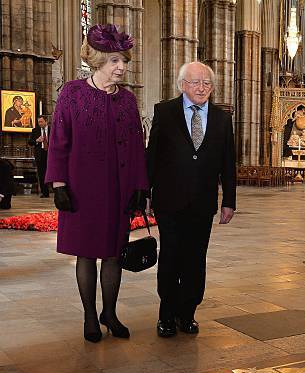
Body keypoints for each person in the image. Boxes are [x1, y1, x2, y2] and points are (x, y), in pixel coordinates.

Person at [45, 24, 149, 343]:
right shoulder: (73, 93)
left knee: (114, 253)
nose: (121, 67)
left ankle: (110, 313)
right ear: (99, 60)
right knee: (87, 254)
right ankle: (91, 317)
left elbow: (136, 147)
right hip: (82, 190)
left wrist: (139, 188)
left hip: (118, 190)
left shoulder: (128, 101)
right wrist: (59, 184)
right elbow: (59, 140)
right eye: (115, 61)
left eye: (124, 61)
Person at [147, 61, 236, 337]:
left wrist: (229, 200)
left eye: (206, 83)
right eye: (195, 82)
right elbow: (152, 156)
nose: (201, 88)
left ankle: (188, 313)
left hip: (202, 202)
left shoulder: (222, 118)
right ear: (182, 85)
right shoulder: (165, 111)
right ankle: (166, 314)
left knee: (196, 259)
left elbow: (228, 162)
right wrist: (144, 192)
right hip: (169, 200)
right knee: (171, 255)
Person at [28, 116, 51, 197]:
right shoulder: (35, 130)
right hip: (40, 155)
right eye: (39, 122)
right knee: (41, 174)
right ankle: (45, 193)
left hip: (50, 154)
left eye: (41, 122)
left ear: (46, 121)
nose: (40, 123)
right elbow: (30, 142)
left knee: (52, 173)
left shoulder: (52, 129)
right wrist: (37, 141)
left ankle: (57, 191)